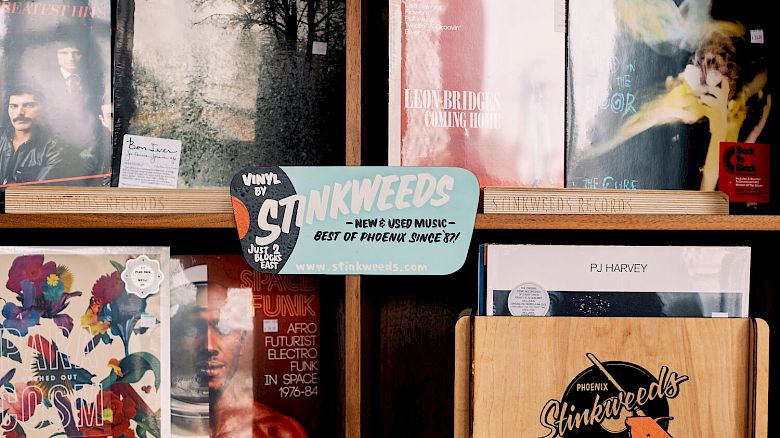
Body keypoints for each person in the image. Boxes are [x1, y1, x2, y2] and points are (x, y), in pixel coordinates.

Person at [170, 278, 308, 438]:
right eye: (194, 329)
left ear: (241, 340)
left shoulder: (275, 432)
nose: (209, 346)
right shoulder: (156, 423)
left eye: (223, 328)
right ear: (177, 341)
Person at [0, 86, 83, 186]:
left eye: (29, 106)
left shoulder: (54, 148)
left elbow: (38, 193)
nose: (19, 113)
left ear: (43, 109)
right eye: (13, 106)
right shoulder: (2, 139)